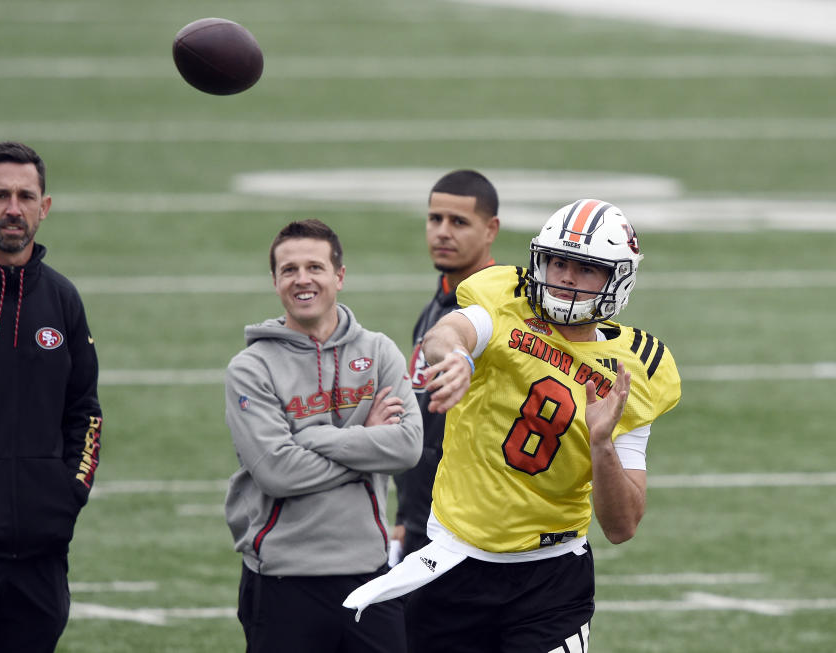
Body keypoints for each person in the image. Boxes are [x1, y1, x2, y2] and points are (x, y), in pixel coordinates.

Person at [344, 199, 681, 653]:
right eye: (559, 262)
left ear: (617, 278)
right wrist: (458, 357)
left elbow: (621, 527)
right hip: (454, 561)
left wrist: (602, 445)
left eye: (585, 269)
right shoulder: (507, 300)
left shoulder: (636, 371)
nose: (565, 277)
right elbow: (449, 332)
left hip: (551, 577)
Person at [224, 219, 422, 653]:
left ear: (339, 276)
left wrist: (313, 438)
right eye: (289, 270)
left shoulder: (378, 351)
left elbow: (407, 447)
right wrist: (366, 437)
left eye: (315, 266)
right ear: (275, 281)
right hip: (281, 580)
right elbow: (277, 471)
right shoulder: (250, 367)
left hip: (370, 574)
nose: (302, 279)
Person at [0, 141, 103, 653]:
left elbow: (85, 411)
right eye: (0, 195)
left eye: (26, 196)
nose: (13, 208)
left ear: (44, 208)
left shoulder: (61, 297)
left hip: (41, 550)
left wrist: (67, 495)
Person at [392, 169, 500, 561]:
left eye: (459, 222)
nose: (442, 232)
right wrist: (408, 513)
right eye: (435, 219)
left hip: (467, 527)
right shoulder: (439, 301)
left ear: (491, 230)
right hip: (425, 520)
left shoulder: (495, 312)